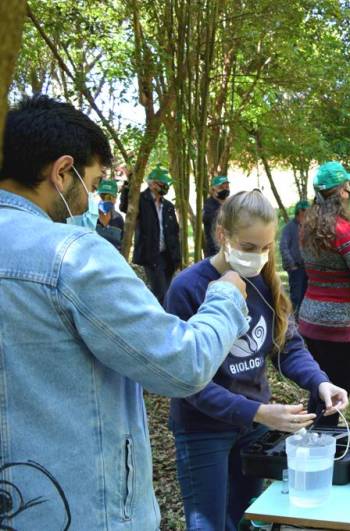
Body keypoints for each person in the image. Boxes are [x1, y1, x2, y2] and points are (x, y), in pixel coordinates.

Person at [0, 95, 250, 529]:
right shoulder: (72, 257)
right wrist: (226, 296)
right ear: (62, 172)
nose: (89, 202)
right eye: (92, 183)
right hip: (85, 506)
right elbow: (181, 363)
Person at [164, 190, 349, 530]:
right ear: (223, 236)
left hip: (252, 429)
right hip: (203, 429)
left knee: (249, 519)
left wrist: (320, 382)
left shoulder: (264, 282)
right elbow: (189, 382)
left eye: (265, 248)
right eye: (248, 248)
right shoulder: (188, 288)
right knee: (210, 523)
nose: (258, 257)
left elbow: (287, 346)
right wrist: (260, 412)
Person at [299, 161, 350, 427]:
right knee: (334, 400)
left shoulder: (308, 227)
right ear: (342, 191)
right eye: (347, 186)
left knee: (319, 391)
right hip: (341, 329)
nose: (349, 191)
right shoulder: (345, 231)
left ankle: (313, 445)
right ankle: (324, 453)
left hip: (312, 322)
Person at [120, 163, 182, 304]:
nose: (166, 187)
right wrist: (128, 186)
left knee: (167, 291)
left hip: (168, 256)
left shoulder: (168, 206)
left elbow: (174, 232)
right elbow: (125, 207)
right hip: (151, 256)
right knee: (160, 294)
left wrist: (178, 257)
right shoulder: (141, 200)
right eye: (163, 184)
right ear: (153, 184)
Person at [281, 200, 310, 316]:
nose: (308, 214)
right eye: (305, 211)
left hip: (307, 267)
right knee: (296, 296)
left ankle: (301, 319)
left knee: (305, 295)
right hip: (295, 268)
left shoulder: (308, 227)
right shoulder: (289, 228)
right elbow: (283, 246)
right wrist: (291, 264)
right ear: (299, 212)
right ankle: (291, 320)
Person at [203, 174, 230, 257]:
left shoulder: (230, 204)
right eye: (221, 188)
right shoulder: (209, 206)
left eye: (227, 187)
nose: (225, 190)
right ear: (213, 190)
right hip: (215, 251)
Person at [95, 178, 125, 251]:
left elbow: (121, 245)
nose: (106, 200)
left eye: (109, 197)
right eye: (103, 196)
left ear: (115, 199)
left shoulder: (119, 219)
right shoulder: (89, 218)